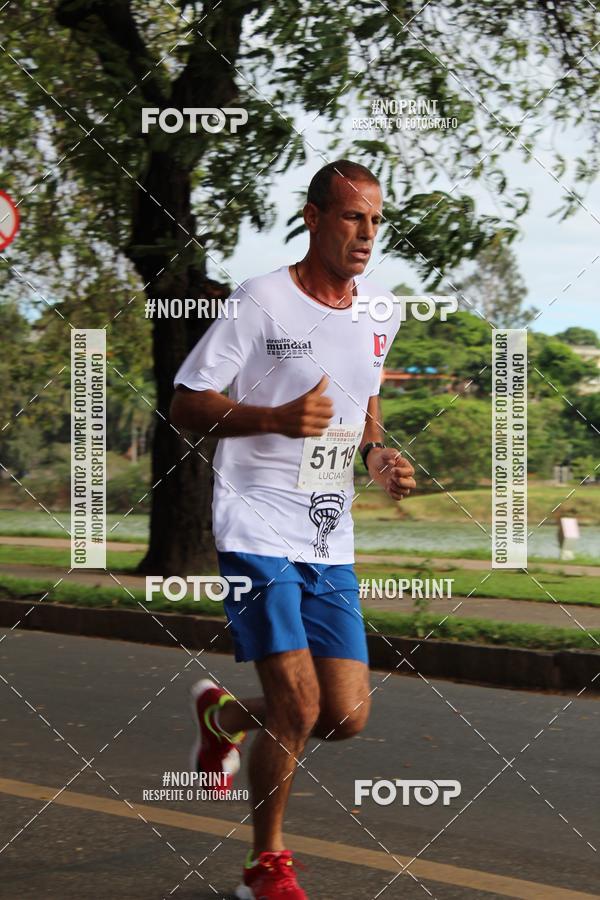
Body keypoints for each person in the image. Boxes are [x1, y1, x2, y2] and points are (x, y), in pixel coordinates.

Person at [170, 159, 416, 899]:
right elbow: (186, 401)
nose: (366, 233)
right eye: (351, 217)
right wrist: (272, 419)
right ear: (313, 218)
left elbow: (364, 405)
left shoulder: (382, 310)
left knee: (344, 715)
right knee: (299, 706)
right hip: (253, 523)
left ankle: (223, 717)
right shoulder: (260, 302)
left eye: (375, 219)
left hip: (325, 533)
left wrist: (378, 455)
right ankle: (265, 866)